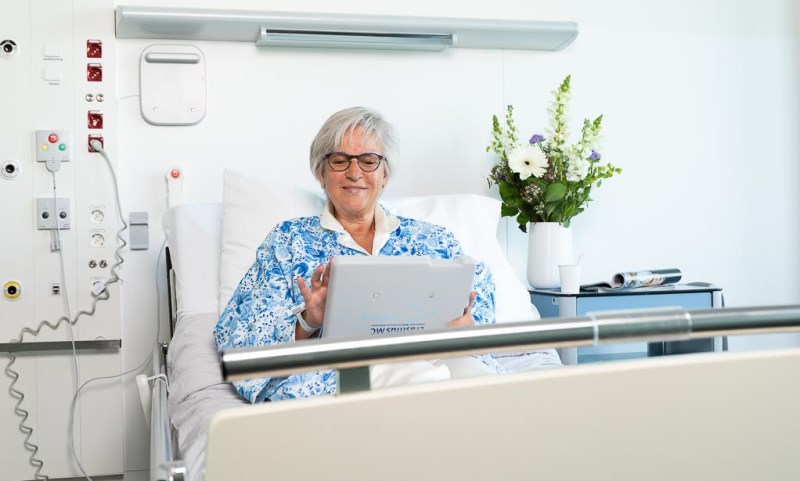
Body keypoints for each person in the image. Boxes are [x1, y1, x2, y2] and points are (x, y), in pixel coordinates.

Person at [214, 107, 502, 403]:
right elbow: (239, 332)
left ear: (385, 174)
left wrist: (469, 327)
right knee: (427, 386)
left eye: (368, 161)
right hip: (344, 376)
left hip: (442, 359)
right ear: (321, 173)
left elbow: (478, 290)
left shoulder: (433, 239)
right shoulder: (288, 241)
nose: (354, 173)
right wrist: (308, 321)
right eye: (339, 161)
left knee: (486, 387)